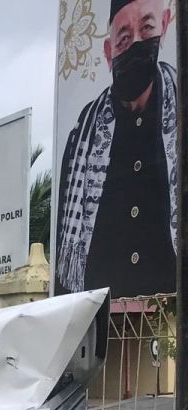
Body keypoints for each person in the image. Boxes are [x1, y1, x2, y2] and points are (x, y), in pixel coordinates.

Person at [56, 0, 178, 296]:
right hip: (104, 329)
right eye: (124, 38)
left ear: (163, 26)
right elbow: (65, 265)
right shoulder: (81, 137)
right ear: (110, 52)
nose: (137, 43)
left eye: (146, 28)